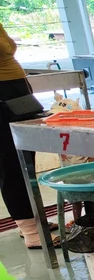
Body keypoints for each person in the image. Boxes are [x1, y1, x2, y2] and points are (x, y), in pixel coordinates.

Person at [0, 21, 58, 249]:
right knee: (10, 162)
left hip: (16, 92)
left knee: (26, 157)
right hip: (3, 95)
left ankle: (33, 218)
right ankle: (29, 229)